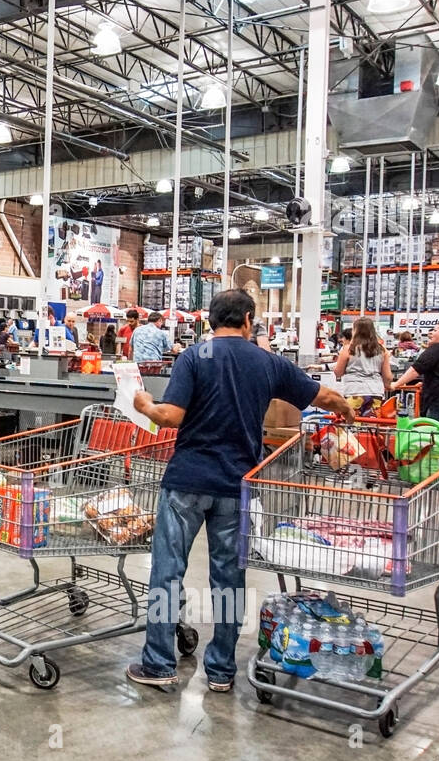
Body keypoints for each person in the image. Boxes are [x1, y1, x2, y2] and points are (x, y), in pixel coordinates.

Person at [128, 289, 353, 692]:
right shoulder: (268, 362)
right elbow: (324, 396)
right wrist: (348, 409)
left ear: (212, 321)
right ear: (248, 319)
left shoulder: (193, 357)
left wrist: (144, 403)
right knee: (229, 579)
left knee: (168, 573)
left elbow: (170, 417)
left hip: (187, 482)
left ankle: (159, 664)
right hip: (237, 486)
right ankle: (220, 671)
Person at [334, 317, 392, 415]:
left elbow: (338, 372)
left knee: (352, 425)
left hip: (354, 391)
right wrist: (388, 386)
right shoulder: (382, 350)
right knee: (371, 427)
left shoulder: (348, 349)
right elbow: (388, 377)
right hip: (376, 392)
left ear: (355, 331)